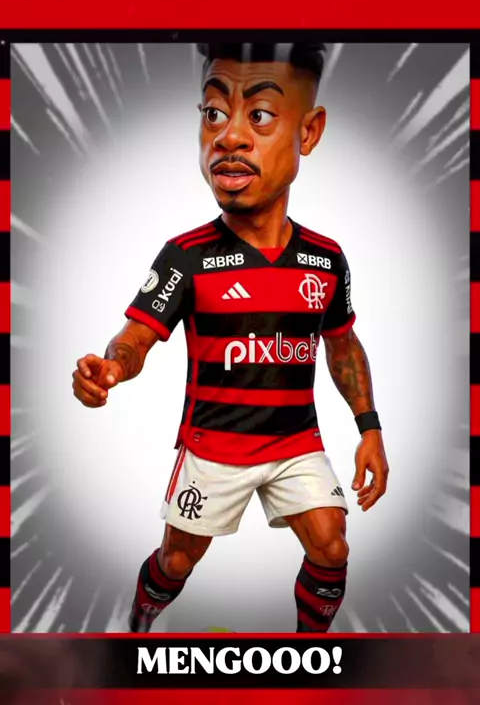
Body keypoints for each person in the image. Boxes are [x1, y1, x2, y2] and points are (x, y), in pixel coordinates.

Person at [72, 43, 389, 634]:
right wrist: (110, 368)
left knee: (332, 546)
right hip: (214, 446)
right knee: (175, 561)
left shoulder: (326, 259)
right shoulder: (187, 255)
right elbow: (136, 338)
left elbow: (343, 347)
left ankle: (308, 655)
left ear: (309, 131)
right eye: (213, 113)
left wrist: (369, 429)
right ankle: (138, 627)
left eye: (260, 115)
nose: (229, 137)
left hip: (295, 441)